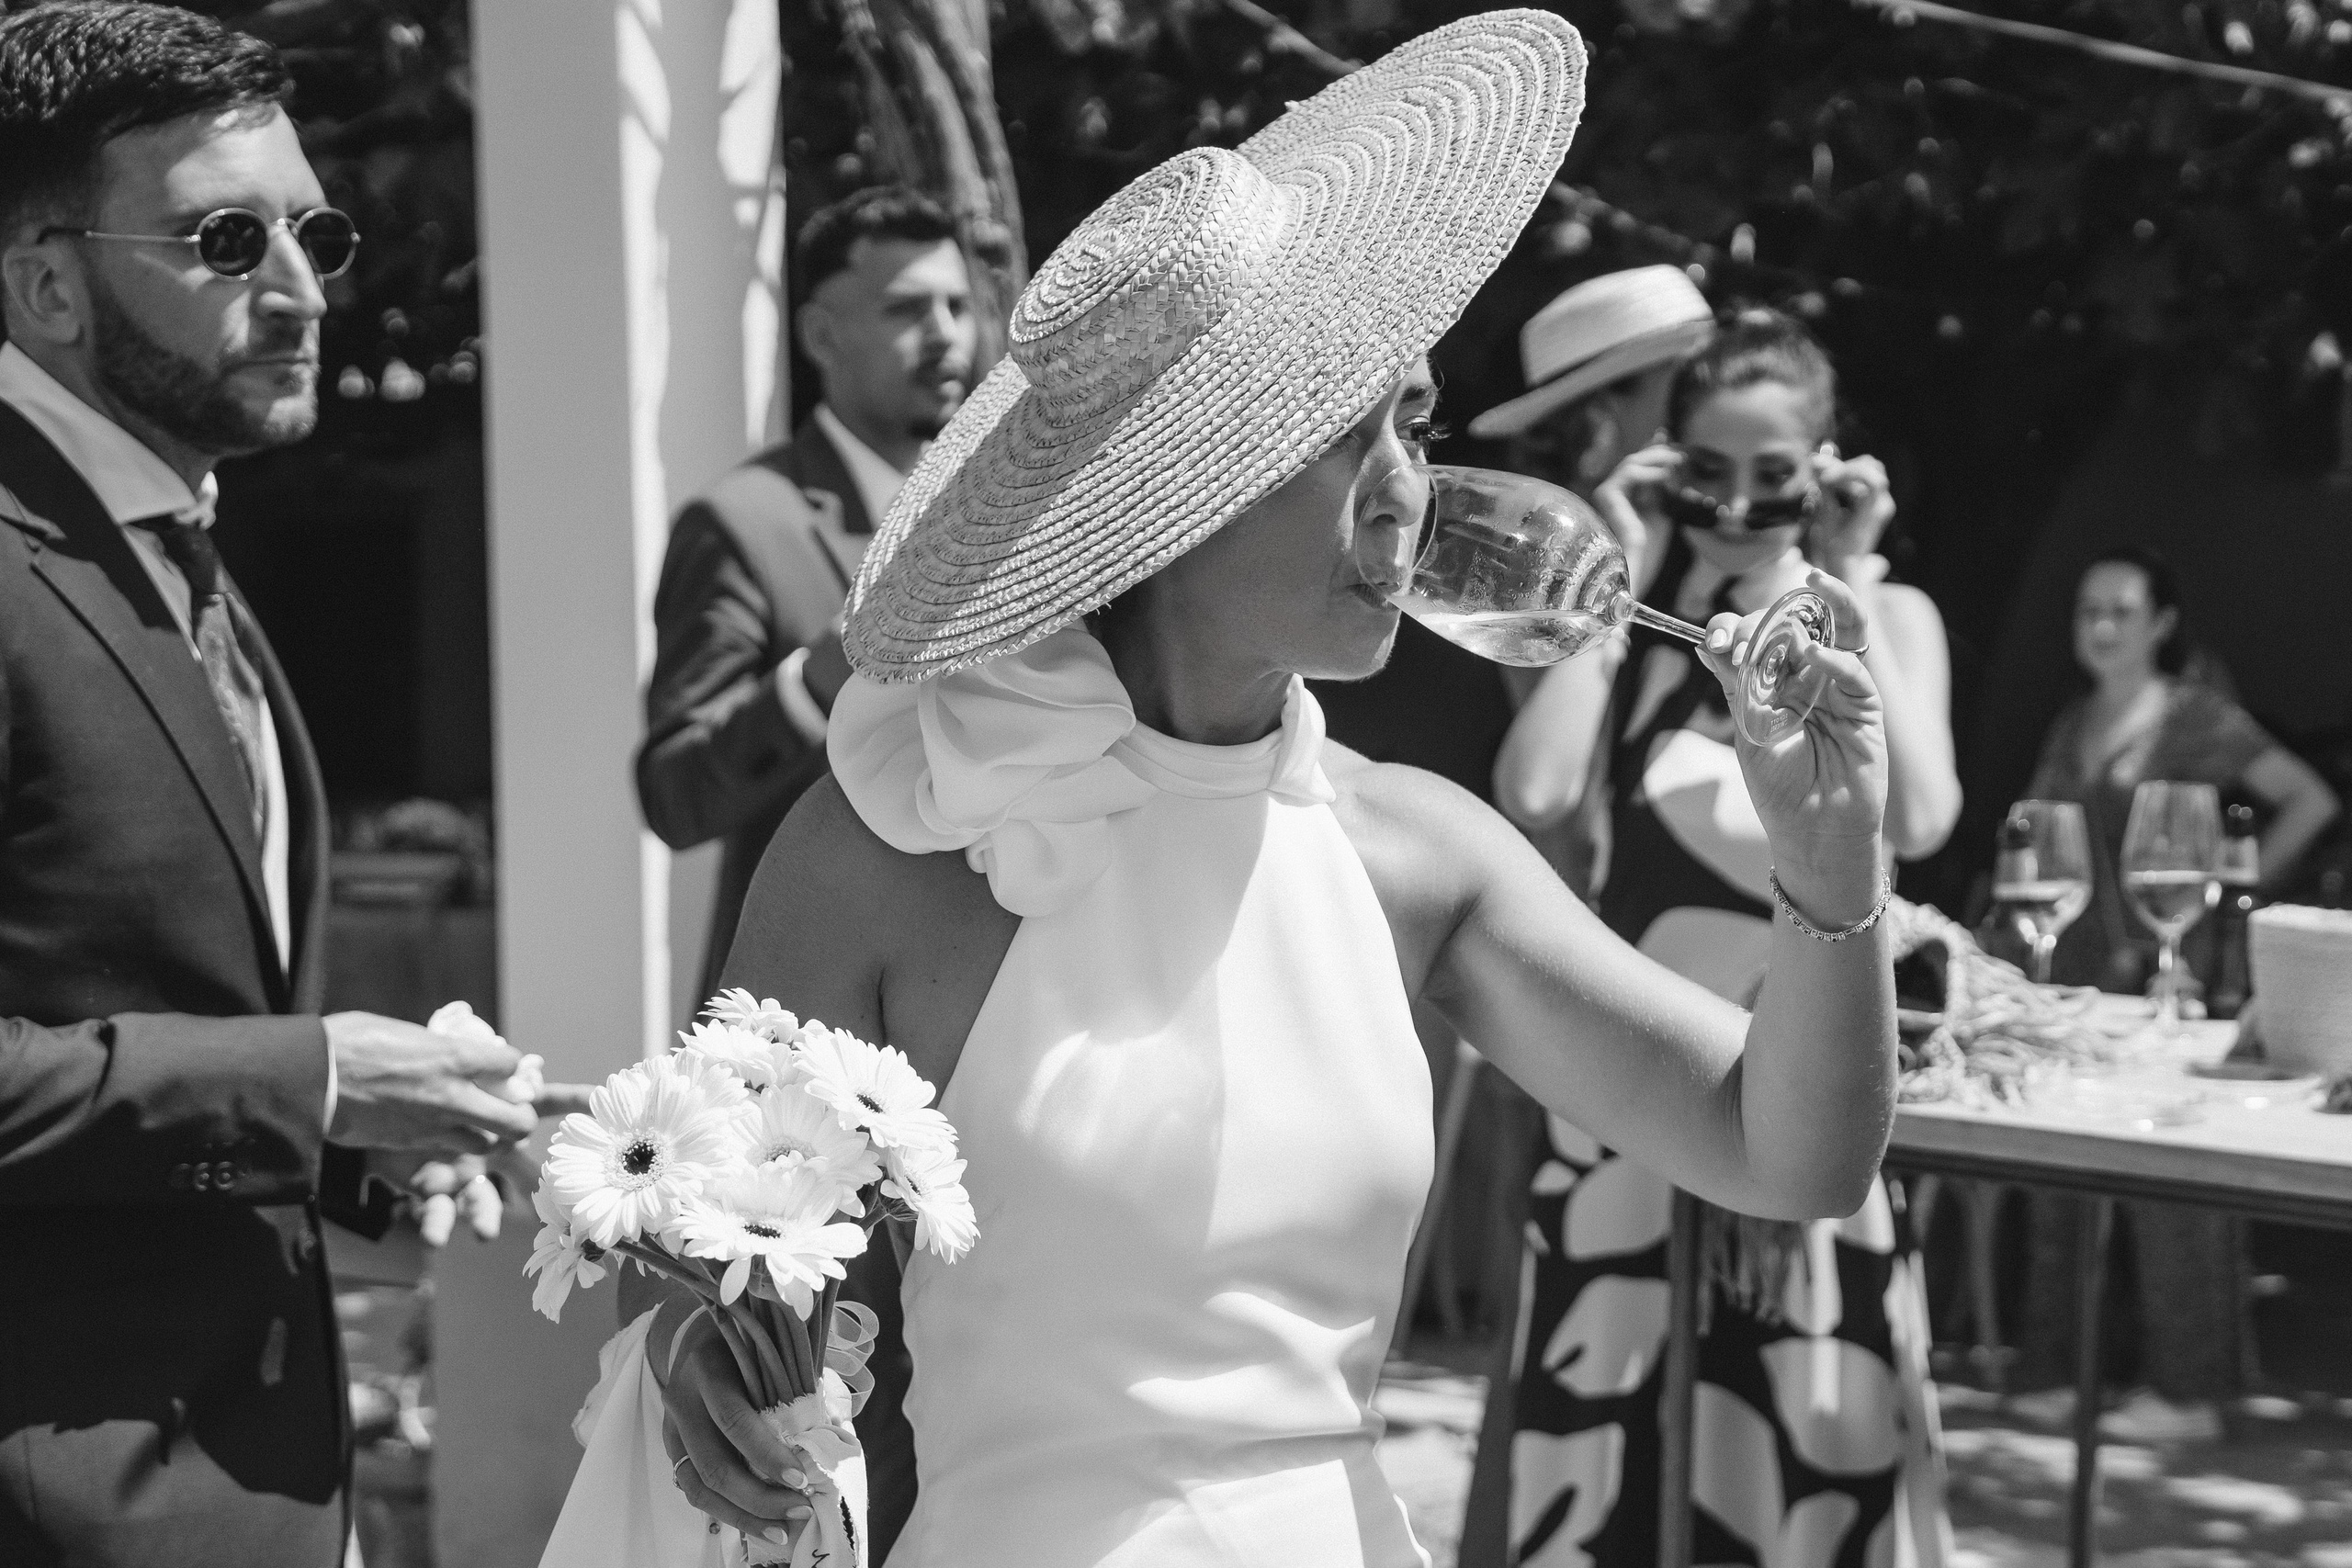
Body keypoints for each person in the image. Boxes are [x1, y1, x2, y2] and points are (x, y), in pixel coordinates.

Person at [639, 15, 1901, 1565]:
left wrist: (1835, 874)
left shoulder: (1416, 848)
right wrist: (699, 1352)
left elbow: (1789, 1155)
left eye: (1417, 426)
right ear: (1172, 497)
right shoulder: (892, 840)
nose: (1410, 491)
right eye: (1342, 436)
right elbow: (705, 1260)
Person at [0, 6, 539, 1564]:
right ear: (44, 281)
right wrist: (301, 1081)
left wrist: (350, 1139)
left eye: (315, 228)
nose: (301, 287)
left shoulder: (165, 540)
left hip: (245, 1481)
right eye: (225, 238)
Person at [1471, 310, 1960, 1568]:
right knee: (1605, 1473)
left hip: (1804, 1089)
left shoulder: (1889, 613)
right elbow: (1533, 790)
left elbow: (1925, 812)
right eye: (1709, 472)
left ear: (1829, 468)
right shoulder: (1627, 631)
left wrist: (1847, 569)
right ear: (1666, 468)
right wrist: (1618, 577)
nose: (1740, 503)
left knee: (1804, 1460)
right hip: (1625, 1102)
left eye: (1775, 474)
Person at [2006, 546, 2340, 1443]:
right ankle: (2059, 1369)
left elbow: (2305, 801)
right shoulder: (2072, 722)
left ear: (2160, 624)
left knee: (2168, 1185)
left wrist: (2234, 900)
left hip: (2167, 976)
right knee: (2057, 1175)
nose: (2101, 627)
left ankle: (2189, 1388)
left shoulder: (2198, 717)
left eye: (2120, 610)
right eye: (2088, 612)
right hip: (2073, 981)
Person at [637, 185, 976, 1002]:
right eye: (906, 308)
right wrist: (814, 683)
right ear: (822, 335)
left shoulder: (1006, 512)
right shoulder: (742, 522)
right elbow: (675, 796)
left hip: (983, 997)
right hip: (811, 1010)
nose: (946, 335)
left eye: (959, 306)